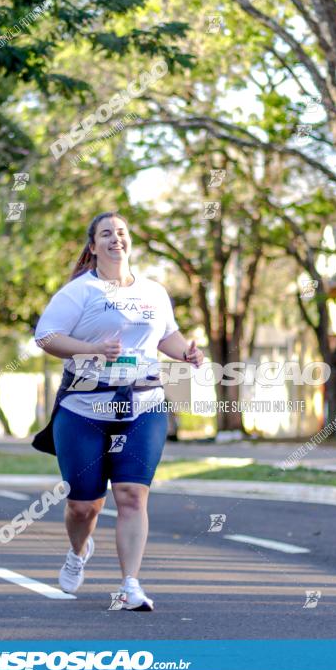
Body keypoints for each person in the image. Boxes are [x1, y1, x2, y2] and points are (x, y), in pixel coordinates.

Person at [33, 212, 203, 610]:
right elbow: (47, 336)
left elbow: (167, 336)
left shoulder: (153, 292)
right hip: (84, 408)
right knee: (84, 504)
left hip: (142, 404)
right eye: (106, 234)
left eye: (122, 232)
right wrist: (92, 349)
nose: (116, 239)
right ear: (93, 246)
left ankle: (130, 585)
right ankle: (78, 553)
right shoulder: (79, 292)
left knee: (131, 496)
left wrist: (187, 353)